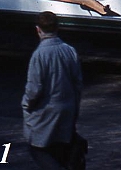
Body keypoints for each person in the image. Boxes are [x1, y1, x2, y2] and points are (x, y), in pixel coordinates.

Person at [22, 11, 83, 170]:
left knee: (38, 148)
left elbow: (34, 88)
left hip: (47, 110)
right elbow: (77, 82)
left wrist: (27, 104)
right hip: (67, 108)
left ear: (38, 29)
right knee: (61, 148)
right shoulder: (69, 50)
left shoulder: (39, 55)